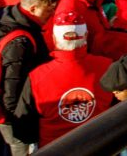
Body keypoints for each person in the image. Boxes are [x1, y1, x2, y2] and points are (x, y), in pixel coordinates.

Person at [0, 0, 60, 156]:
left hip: (4, 111)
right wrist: (22, 129)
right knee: (19, 149)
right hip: (14, 118)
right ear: (33, 8)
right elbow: (11, 91)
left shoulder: (8, 18)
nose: (52, 14)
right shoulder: (21, 43)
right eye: (49, 9)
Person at [13, 10, 115, 147]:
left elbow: (22, 130)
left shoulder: (37, 77)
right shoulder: (107, 66)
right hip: (101, 147)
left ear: (54, 39)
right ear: (85, 36)